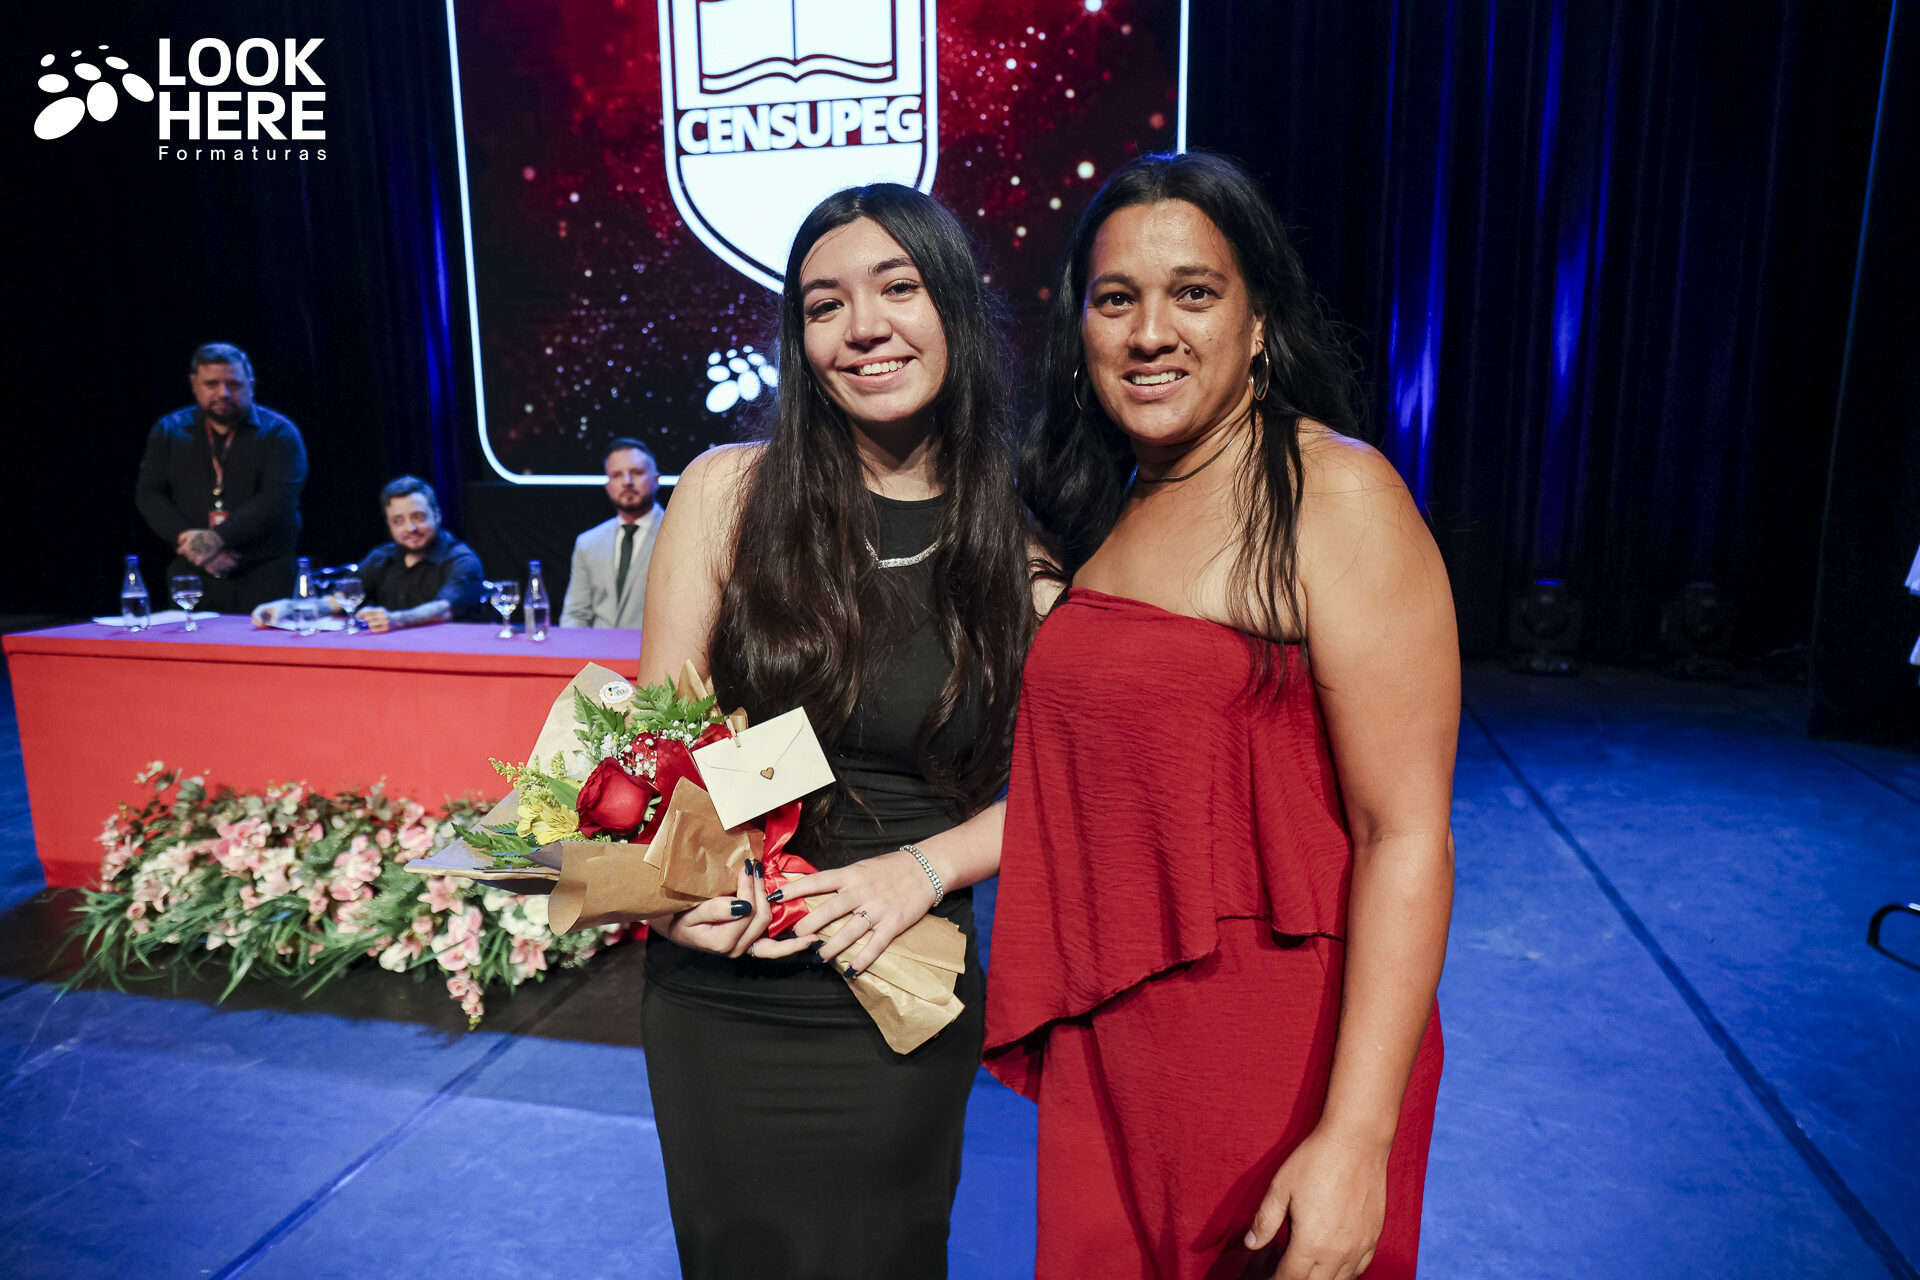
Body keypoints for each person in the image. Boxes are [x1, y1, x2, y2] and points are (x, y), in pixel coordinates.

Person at [985, 151, 1455, 1280]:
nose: (1151, 332)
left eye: (1193, 292)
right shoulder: (1115, 503)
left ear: (1258, 325)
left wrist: (1356, 1138)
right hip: (1111, 1036)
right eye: (1116, 299)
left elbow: (1405, 834)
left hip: (1274, 1051)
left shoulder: (1335, 492)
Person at [633, 183, 1043, 1278]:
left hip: (897, 971)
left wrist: (924, 868)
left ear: (953, 305)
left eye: (898, 288)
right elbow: (658, 739)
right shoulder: (727, 493)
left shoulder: (1025, 552)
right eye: (825, 305)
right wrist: (674, 900)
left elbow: (1064, 791)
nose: (863, 326)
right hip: (720, 979)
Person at [135, 343, 308, 613]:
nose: (223, 393)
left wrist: (214, 540)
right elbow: (149, 494)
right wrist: (196, 548)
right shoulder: (169, 431)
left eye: (234, 384)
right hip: (193, 574)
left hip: (264, 574)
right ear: (194, 385)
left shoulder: (280, 433)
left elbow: (278, 498)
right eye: (211, 384)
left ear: (251, 384)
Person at [251, 477, 485, 631]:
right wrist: (287, 608)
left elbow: (444, 609)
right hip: (391, 656)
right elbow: (338, 600)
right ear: (389, 524)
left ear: (437, 514)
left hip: (448, 657)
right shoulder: (380, 557)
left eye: (418, 517)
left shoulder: (462, 560)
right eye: (398, 521)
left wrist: (396, 620)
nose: (410, 528)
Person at [560, 438, 662, 628]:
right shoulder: (588, 542)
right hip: (597, 647)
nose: (627, 482)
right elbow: (575, 614)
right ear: (608, 486)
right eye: (616, 475)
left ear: (656, 479)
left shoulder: (679, 536)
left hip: (657, 647)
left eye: (637, 472)